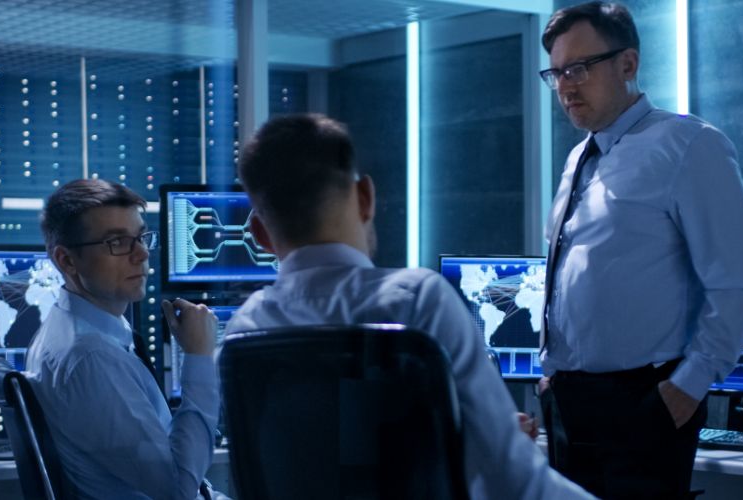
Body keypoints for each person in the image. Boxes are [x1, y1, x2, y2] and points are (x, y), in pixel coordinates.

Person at [223, 113, 592, 499]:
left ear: (260, 234)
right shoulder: (418, 302)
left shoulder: (244, 329)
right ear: (365, 198)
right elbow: (514, 481)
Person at [537, 2, 743, 498]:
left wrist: (687, 387)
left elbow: (742, 280)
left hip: (643, 402)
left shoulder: (688, 144)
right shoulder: (578, 158)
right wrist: (550, 376)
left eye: (579, 68)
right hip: (568, 406)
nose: (565, 86)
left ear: (628, 64)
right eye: (556, 73)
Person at [26, 179, 221, 499]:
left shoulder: (72, 331)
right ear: (66, 260)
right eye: (116, 242)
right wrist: (199, 357)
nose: (141, 254)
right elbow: (178, 491)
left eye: (141, 237)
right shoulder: (92, 358)